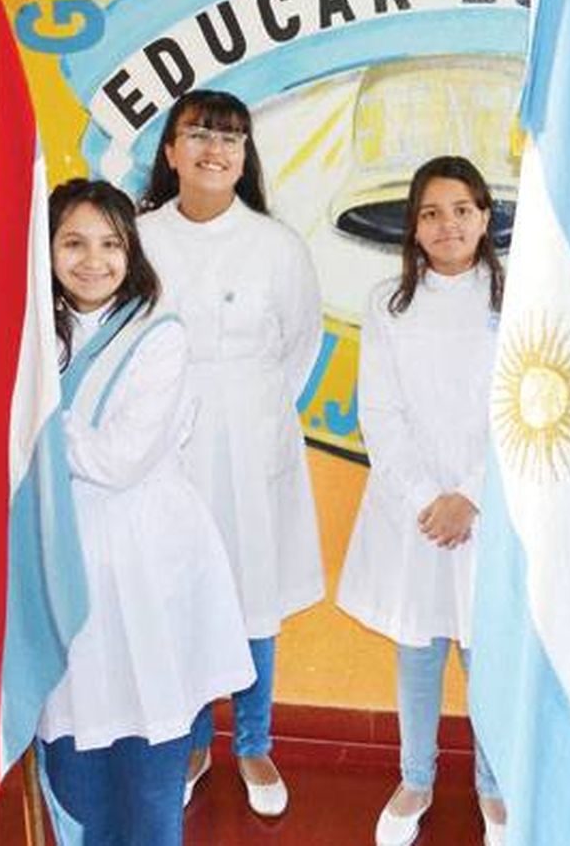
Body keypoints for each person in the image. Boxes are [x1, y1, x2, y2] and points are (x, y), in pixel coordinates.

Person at [36, 179, 254, 846]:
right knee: (72, 738)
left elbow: (118, 459)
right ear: (45, 250)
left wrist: (35, 419)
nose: (92, 260)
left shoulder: (159, 334)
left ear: (132, 251)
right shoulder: (32, 332)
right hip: (58, 556)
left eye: (109, 243)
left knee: (150, 739)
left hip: (146, 561)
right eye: (73, 242)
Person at [137, 90, 324, 817]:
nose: (217, 150)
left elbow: (300, 345)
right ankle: (190, 743)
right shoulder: (140, 235)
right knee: (180, 592)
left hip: (252, 437)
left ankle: (253, 741)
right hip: (163, 442)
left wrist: (251, 408)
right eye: (201, 135)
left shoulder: (277, 245)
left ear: (246, 156)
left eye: (233, 139)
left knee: (253, 595)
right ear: (172, 150)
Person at [336, 156, 509, 846]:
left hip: (489, 506)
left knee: (486, 650)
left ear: (486, 217)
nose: (448, 225)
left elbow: (528, 408)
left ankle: (494, 787)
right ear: (412, 225)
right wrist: (425, 499)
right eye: (432, 212)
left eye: (462, 209)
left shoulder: (518, 298)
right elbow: (379, 411)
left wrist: (470, 495)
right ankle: (416, 776)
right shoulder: (388, 302)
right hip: (412, 510)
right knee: (419, 646)